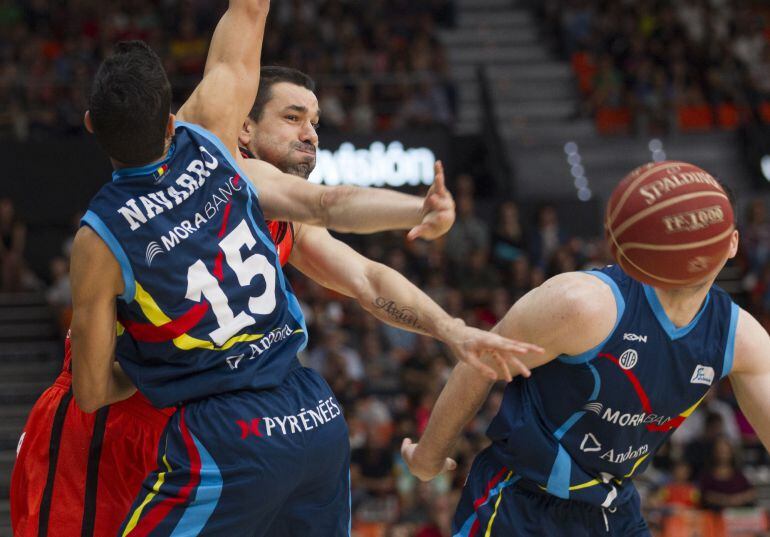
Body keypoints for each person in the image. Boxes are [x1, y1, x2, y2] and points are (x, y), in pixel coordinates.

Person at [64, 3, 537, 536]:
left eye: (315, 121)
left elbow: (357, 259)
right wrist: (415, 210)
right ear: (240, 126)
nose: (311, 132)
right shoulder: (215, 153)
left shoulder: (251, 201)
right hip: (235, 416)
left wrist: (449, 324)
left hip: (214, 411)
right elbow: (330, 204)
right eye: (292, 118)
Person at [402, 173, 770, 536]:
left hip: (613, 510)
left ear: (733, 243)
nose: (698, 240)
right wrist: (427, 457)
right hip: (521, 500)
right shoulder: (584, 304)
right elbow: (479, 363)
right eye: (685, 225)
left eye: (711, 227)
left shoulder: (740, 338)